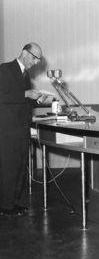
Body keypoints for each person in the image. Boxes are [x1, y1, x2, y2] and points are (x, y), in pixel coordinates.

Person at [0, 43, 54, 216]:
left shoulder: (25, 75)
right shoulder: (5, 69)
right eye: (34, 57)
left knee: (21, 165)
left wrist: (37, 100)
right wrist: (26, 94)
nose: (36, 62)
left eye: (39, 59)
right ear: (24, 52)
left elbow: (23, 101)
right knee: (8, 167)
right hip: (7, 129)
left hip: (21, 128)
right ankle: (6, 206)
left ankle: (17, 202)